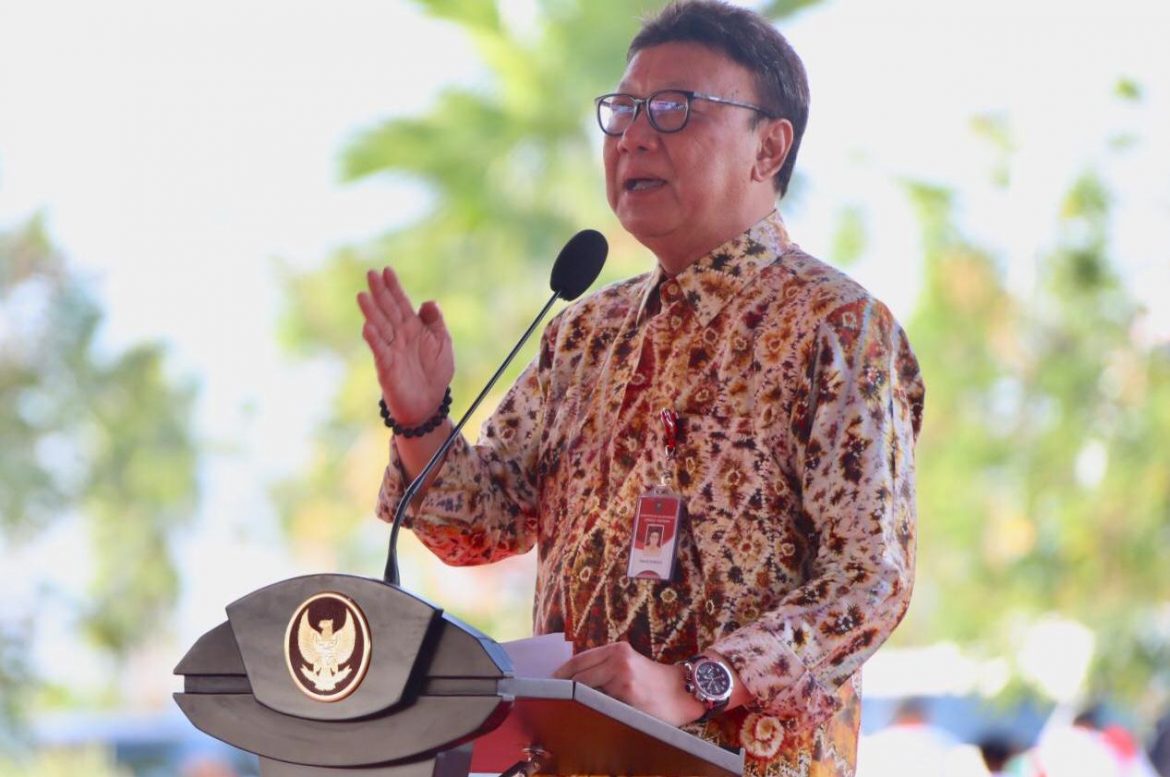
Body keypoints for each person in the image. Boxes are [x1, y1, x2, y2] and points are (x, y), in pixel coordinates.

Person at [358, 2, 924, 774]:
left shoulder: (838, 326)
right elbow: (481, 526)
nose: (633, 136)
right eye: (623, 109)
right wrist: (421, 416)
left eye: (674, 108)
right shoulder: (584, 331)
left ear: (769, 147)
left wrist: (697, 684)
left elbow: (868, 583)